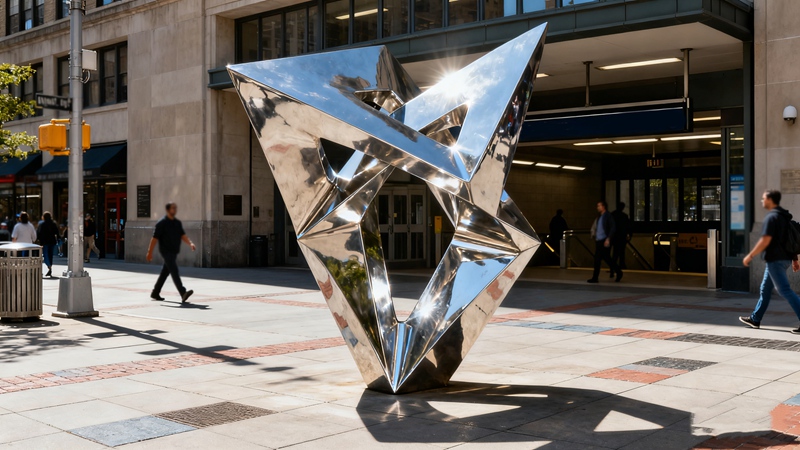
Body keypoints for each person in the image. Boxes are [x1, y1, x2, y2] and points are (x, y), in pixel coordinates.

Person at [740, 190, 800, 333]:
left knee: (784, 290)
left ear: (771, 200)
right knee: (765, 289)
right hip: (783, 259)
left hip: (776, 260)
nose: (762, 201)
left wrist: (750, 256)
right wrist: (794, 259)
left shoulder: (772, 217)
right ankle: (755, 319)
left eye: (764, 199)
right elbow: (789, 240)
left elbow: (765, 240)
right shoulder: (784, 217)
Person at [147, 202, 196, 303]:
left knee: (165, 272)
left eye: (175, 208)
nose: (175, 210)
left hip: (173, 252)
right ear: (168, 210)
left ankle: (155, 292)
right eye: (173, 208)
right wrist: (149, 252)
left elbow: (183, 235)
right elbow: (154, 238)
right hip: (166, 251)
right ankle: (183, 292)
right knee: (174, 271)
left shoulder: (177, 223)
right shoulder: (161, 223)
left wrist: (190, 243)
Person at [588, 201, 623, 283]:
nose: (598, 207)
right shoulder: (599, 217)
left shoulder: (608, 216)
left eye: (599, 206)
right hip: (599, 240)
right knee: (604, 258)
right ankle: (617, 271)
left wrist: (608, 238)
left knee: (600, 258)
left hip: (604, 240)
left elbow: (612, 227)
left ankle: (596, 277)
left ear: (604, 207)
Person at [610, 202, 631, 277]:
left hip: (614, 237)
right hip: (621, 237)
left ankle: (613, 268)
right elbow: (628, 227)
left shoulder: (612, 215)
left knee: (615, 254)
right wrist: (629, 236)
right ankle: (621, 265)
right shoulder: (624, 216)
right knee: (621, 252)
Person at [37, 211, 59, 278]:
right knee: (50, 255)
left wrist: (39, 241)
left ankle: (49, 267)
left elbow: (39, 233)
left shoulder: (42, 224)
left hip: (45, 242)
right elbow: (56, 232)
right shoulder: (53, 224)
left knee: (46, 255)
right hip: (52, 241)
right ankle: (50, 267)